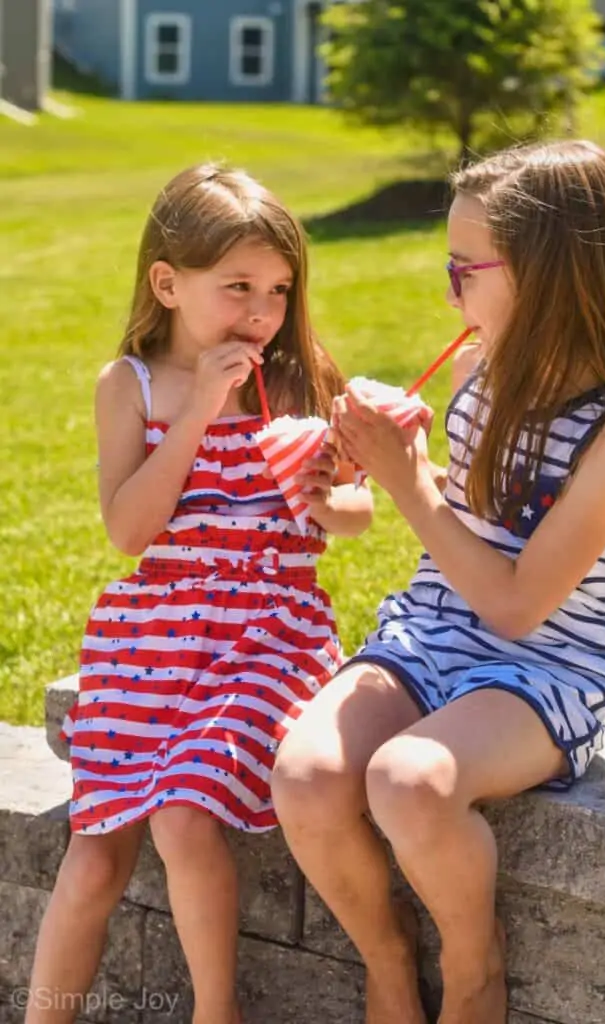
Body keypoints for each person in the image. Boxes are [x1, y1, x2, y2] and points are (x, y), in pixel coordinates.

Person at [271, 140, 605, 1024]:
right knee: (304, 778)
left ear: (550, 277)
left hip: (547, 665)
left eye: (465, 271)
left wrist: (407, 482)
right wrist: (378, 463)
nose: (449, 293)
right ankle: (386, 959)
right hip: (432, 629)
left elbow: (515, 602)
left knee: (409, 782)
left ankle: (472, 970)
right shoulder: (478, 370)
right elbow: (464, 534)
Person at [25, 163, 373, 1024]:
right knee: (96, 849)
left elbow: (355, 513)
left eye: (280, 289)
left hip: (269, 630)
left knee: (183, 818)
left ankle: (217, 1013)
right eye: (238, 288)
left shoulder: (295, 380)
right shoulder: (130, 386)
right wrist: (196, 415)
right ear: (168, 284)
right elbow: (129, 531)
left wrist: (327, 495)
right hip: (152, 633)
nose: (261, 312)